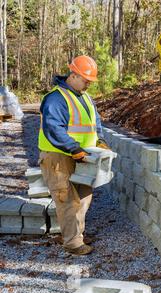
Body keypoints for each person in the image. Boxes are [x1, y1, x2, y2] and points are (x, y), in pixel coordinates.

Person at [38, 55, 109, 255]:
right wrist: (74, 148)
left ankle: (77, 234)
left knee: (84, 196)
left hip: (83, 156)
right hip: (59, 157)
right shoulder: (56, 98)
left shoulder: (85, 97)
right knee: (67, 199)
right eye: (86, 80)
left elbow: (96, 124)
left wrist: (100, 141)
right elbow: (54, 129)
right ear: (74, 75)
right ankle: (72, 243)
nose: (88, 85)